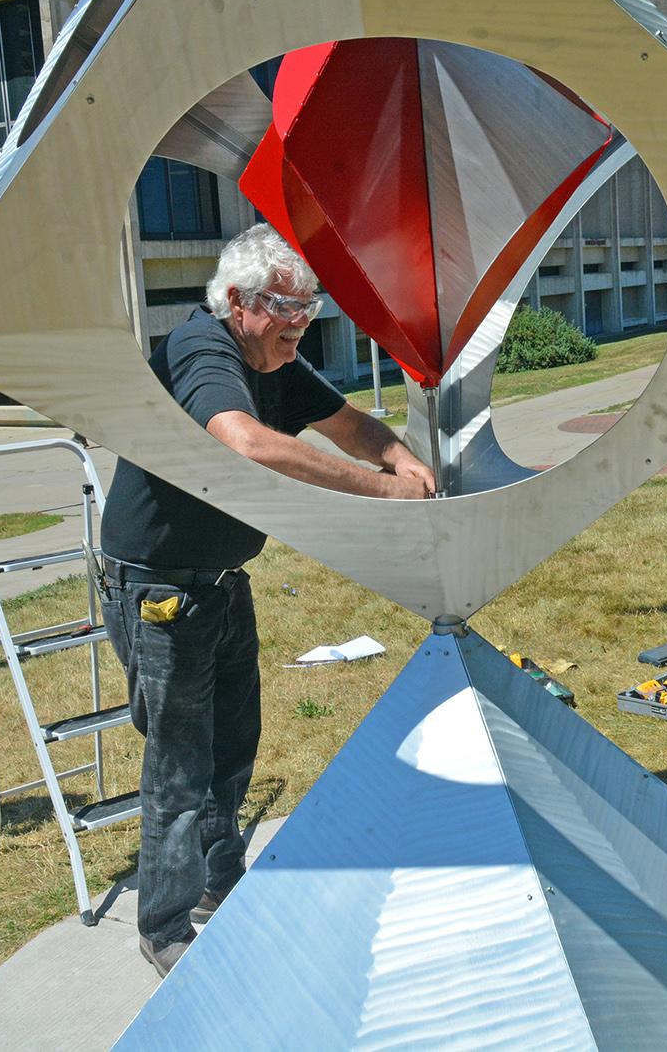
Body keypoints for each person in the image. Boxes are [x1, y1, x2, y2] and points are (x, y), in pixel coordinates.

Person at [100, 224, 434, 975]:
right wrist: (384, 490)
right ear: (241, 303)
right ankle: (163, 924)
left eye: (307, 317)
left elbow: (348, 424)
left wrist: (399, 454)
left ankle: (219, 885)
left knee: (231, 749)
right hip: (159, 588)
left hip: (216, 582)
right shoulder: (204, 349)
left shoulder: (273, 356)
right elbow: (245, 442)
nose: (300, 331)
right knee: (181, 764)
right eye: (289, 316)